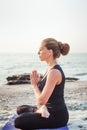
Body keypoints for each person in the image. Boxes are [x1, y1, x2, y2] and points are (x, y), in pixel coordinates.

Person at [14, 38, 70, 130]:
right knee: (20, 109)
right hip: (47, 109)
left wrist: (34, 85)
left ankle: (41, 110)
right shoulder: (49, 69)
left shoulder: (54, 72)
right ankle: (40, 110)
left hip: (56, 115)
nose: (38, 52)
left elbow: (41, 100)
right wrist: (40, 84)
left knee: (18, 121)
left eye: (40, 50)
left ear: (49, 52)